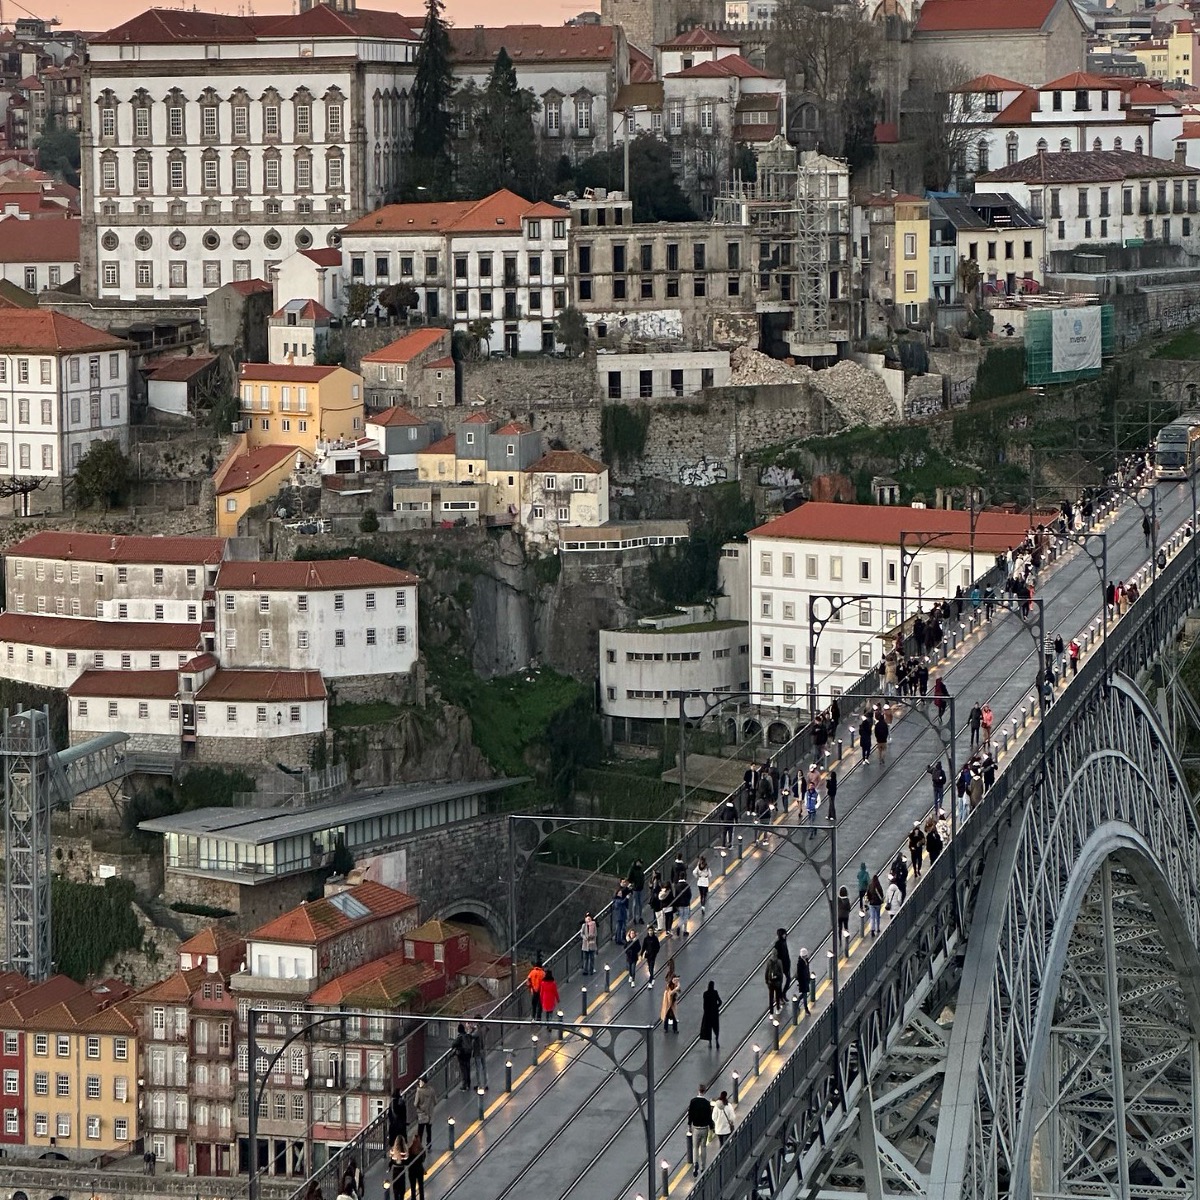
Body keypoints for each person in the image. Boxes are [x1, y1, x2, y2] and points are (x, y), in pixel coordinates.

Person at [688, 1086, 715, 1176]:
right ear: (705, 1091)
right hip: (704, 1128)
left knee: (695, 1147)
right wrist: (711, 1127)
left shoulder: (693, 1101)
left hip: (696, 1128)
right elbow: (709, 1117)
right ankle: (703, 1167)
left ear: (698, 1091)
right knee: (703, 1147)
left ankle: (696, 1163)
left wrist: (689, 1126)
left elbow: (690, 1114)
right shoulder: (707, 1103)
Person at [413, 1077, 434, 1150]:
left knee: (420, 1132)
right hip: (429, 1114)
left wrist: (421, 1107)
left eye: (420, 1082)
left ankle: (419, 1146)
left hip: (421, 1114)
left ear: (423, 1083)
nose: (419, 1083)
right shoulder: (431, 1090)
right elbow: (435, 1101)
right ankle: (429, 1144)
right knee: (429, 1131)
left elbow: (415, 1104)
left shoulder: (419, 1091)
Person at [700, 980, 722, 1049]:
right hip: (714, 1014)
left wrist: (706, 1011)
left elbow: (704, 1005)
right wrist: (716, 1007)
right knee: (716, 1028)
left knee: (708, 1028)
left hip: (708, 1014)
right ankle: (717, 1041)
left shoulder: (705, 994)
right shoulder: (715, 993)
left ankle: (710, 1042)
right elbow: (720, 1002)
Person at [406, 1132, 427, 1200]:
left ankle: (413, 1198)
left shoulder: (410, 1150)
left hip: (412, 1170)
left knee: (413, 1187)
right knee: (421, 1186)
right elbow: (423, 1159)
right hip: (419, 1169)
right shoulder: (421, 1149)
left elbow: (407, 1161)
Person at [388, 1132, 408, 1200]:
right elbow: (406, 1160)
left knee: (395, 1188)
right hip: (401, 1170)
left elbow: (391, 1160)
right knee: (402, 1188)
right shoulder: (404, 1150)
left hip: (395, 1171)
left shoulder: (393, 1150)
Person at [452, 1022, 472, 1092]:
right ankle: (469, 1084)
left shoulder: (460, 1037)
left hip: (462, 1055)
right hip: (468, 1055)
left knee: (463, 1070)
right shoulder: (467, 1035)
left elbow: (454, 1044)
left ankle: (464, 1085)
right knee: (468, 1069)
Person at [765, 949, 785, 1014]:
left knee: (771, 998)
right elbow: (781, 973)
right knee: (777, 996)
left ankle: (771, 1013)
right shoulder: (779, 962)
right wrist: (781, 982)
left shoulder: (769, 962)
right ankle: (778, 1009)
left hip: (770, 983)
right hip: (777, 983)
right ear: (777, 954)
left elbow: (766, 972)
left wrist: (767, 981)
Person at [468, 1021, 488, 1091]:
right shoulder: (484, 1028)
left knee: (478, 1069)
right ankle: (486, 1083)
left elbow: (471, 1036)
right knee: (484, 1068)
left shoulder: (478, 1031)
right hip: (483, 1051)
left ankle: (479, 1084)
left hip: (478, 1052)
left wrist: (471, 1029)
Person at [773, 927, 792, 994]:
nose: (785, 935)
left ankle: (783, 993)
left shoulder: (784, 942)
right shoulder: (778, 944)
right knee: (780, 981)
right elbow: (775, 955)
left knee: (788, 979)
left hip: (786, 964)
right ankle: (781, 995)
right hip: (780, 965)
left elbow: (786, 953)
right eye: (784, 934)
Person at [580, 912, 598, 976]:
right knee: (586, 958)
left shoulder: (593, 925)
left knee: (592, 958)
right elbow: (582, 933)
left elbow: (595, 933)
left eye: (589, 919)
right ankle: (585, 970)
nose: (588, 920)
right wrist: (585, 937)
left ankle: (591, 970)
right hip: (585, 944)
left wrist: (592, 936)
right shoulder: (584, 925)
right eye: (587, 919)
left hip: (592, 944)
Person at [612, 882, 629, 947]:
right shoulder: (617, 900)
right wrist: (626, 898)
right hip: (620, 916)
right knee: (619, 928)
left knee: (619, 928)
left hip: (620, 915)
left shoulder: (616, 900)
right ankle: (618, 939)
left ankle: (618, 938)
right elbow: (621, 903)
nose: (621, 894)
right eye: (619, 893)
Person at [795, 947, 812, 1013]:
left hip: (806, 980)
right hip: (803, 982)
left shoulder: (806, 960)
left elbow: (807, 970)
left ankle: (797, 1004)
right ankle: (806, 1009)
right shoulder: (800, 963)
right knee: (805, 995)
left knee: (804, 994)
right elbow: (799, 974)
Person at [629, 858, 646, 924]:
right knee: (635, 903)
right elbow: (629, 878)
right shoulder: (632, 869)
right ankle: (634, 918)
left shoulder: (640, 870)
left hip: (640, 888)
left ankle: (640, 917)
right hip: (635, 888)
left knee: (640, 903)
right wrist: (633, 884)